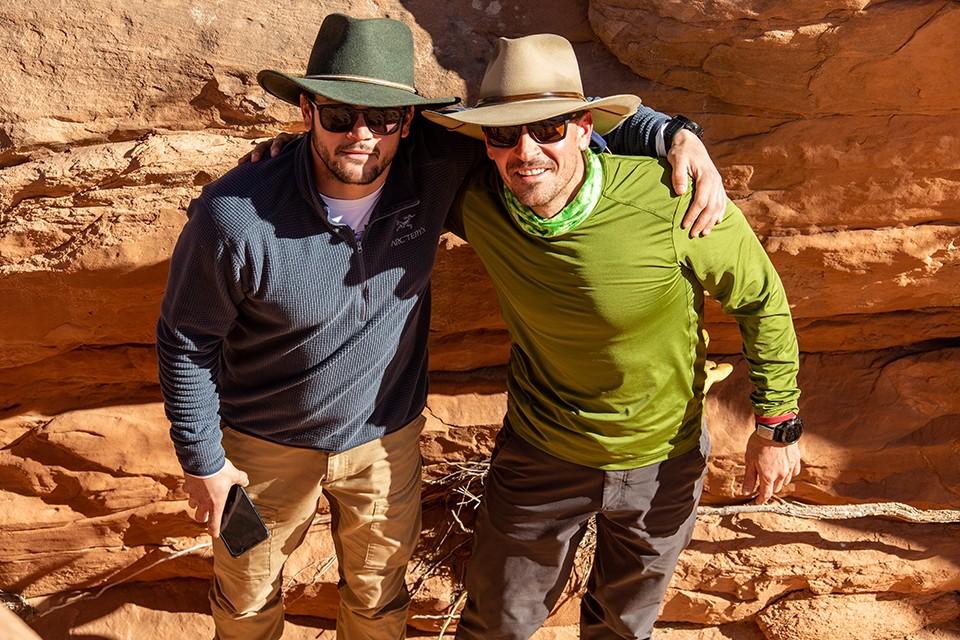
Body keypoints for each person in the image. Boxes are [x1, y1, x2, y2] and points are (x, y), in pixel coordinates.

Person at [157, 14, 727, 640]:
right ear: (306, 111)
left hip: (385, 445)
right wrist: (204, 462)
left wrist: (676, 133)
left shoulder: (436, 158)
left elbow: (553, 122)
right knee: (245, 595)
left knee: (378, 600)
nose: (361, 135)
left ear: (409, 121)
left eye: (382, 118)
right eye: (339, 115)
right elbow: (187, 340)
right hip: (260, 452)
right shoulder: (236, 216)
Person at [419, 34, 804, 640]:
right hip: (541, 455)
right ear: (485, 142)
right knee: (496, 623)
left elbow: (762, 301)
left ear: (582, 127)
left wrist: (777, 426)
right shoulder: (478, 200)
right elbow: (367, 142)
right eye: (504, 134)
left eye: (547, 128)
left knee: (623, 627)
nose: (525, 151)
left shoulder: (672, 199)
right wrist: (286, 156)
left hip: (664, 458)